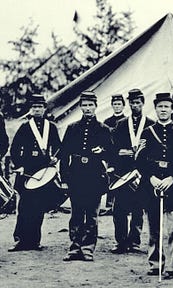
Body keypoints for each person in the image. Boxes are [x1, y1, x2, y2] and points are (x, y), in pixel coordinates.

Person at [137, 92, 173, 279]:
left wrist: (172, 178)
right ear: (156, 108)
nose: (163, 110)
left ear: (172, 109)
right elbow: (139, 159)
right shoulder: (147, 132)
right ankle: (155, 264)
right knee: (154, 226)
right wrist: (151, 177)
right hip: (152, 185)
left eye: (166, 107)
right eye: (160, 106)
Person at [60, 91, 112, 261]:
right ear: (80, 107)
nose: (88, 108)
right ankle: (75, 247)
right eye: (85, 105)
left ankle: (88, 248)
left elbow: (111, 154)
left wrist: (103, 151)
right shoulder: (72, 128)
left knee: (91, 215)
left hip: (94, 177)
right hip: (75, 177)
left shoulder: (104, 129)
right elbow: (64, 155)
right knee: (76, 214)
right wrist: (64, 179)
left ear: (96, 107)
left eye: (91, 105)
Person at [8, 94, 61, 251]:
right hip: (27, 169)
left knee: (39, 206)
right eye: (34, 107)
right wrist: (20, 165)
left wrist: (55, 158)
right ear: (31, 110)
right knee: (24, 206)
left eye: (40, 107)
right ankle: (20, 240)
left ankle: (34, 241)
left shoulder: (50, 127)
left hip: (43, 171)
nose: (37, 110)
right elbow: (15, 149)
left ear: (44, 109)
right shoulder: (25, 127)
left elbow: (58, 146)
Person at [110, 88, 154, 254]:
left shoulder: (150, 124)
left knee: (138, 209)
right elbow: (113, 148)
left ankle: (134, 241)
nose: (135, 105)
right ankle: (120, 242)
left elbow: (154, 149)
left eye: (138, 102)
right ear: (128, 104)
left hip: (142, 173)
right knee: (119, 209)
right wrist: (122, 153)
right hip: (123, 172)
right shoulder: (121, 125)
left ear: (143, 103)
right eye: (132, 102)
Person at [100, 94, 126, 216]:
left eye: (119, 104)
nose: (117, 106)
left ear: (123, 106)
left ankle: (122, 204)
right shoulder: (107, 122)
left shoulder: (126, 121)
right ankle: (110, 205)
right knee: (110, 176)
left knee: (122, 177)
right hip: (111, 154)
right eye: (115, 104)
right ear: (112, 106)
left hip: (122, 155)